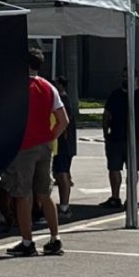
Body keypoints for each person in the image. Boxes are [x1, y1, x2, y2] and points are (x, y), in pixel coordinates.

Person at [5, 48, 70, 257]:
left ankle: (27, 241)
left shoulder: (18, 87)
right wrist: (51, 136)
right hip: (45, 145)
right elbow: (64, 120)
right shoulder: (49, 87)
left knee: (22, 194)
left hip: (24, 146)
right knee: (44, 192)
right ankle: (54, 237)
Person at [101, 71, 139, 220]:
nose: (125, 79)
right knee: (113, 168)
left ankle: (131, 198)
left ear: (136, 79)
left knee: (132, 170)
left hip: (135, 141)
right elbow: (106, 115)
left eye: (128, 77)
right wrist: (106, 134)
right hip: (115, 139)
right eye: (123, 76)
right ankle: (115, 198)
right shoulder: (115, 95)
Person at [52, 75, 77, 219]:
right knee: (59, 174)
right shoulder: (61, 100)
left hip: (63, 145)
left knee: (62, 174)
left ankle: (65, 207)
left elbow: (63, 122)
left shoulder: (63, 102)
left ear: (61, 86)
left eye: (56, 84)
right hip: (60, 145)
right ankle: (63, 206)